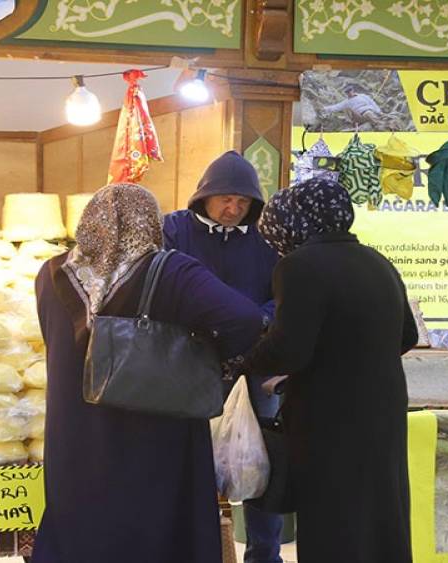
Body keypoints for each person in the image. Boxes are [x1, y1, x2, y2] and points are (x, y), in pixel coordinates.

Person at [31, 183, 264, 563]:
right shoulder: (170, 271)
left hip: (77, 434)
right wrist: (208, 355)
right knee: (155, 529)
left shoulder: (51, 274)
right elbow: (245, 319)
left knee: (80, 525)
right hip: (155, 434)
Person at [237, 178, 419, 563]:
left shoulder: (299, 266)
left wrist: (243, 362)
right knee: (380, 512)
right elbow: (406, 335)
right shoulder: (377, 261)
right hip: (383, 410)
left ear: (294, 221)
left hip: (330, 416)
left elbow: (290, 349)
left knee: (333, 517)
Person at [163, 150, 283, 563]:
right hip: (191, 363)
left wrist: (260, 319)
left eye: (243, 202)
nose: (233, 209)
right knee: (188, 459)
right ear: (205, 196)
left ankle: (265, 555)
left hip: (256, 362)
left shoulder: (267, 237)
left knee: (260, 461)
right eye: (225, 200)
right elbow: (163, 287)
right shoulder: (175, 230)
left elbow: (282, 295)